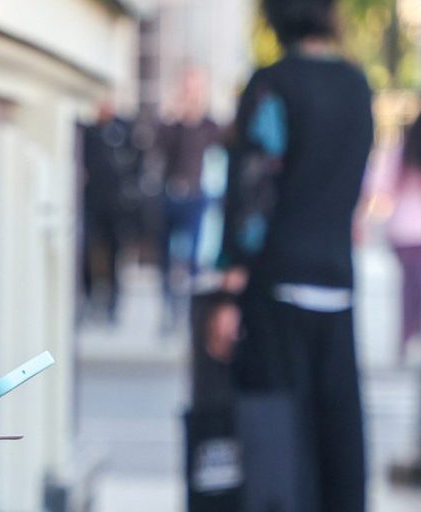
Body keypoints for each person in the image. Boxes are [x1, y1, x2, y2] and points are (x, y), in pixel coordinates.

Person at [208, 0, 373, 510]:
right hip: (336, 284)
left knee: (277, 448)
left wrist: (228, 294)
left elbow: (253, 193)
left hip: (277, 288)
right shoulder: (357, 85)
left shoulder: (271, 84)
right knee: (336, 441)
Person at [155, 69, 220, 332]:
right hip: (171, 193)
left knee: (192, 256)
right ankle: (167, 309)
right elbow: (159, 146)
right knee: (165, 257)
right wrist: (176, 117)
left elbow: (218, 144)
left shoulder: (208, 125)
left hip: (195, 195)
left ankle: (189, 311)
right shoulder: (172, 124)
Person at [80, 101, 142, 324]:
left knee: (115, 252)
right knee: (86, 249)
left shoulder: (123, 129)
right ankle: (89, 295)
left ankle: (113, 301)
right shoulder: (88, 130)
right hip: (91, 202)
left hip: (116, 205)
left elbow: (137, 161)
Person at [387, 113, 421, 358]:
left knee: (410, 288)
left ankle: (408, 337)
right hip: (410, 233)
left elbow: (381, 187)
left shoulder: (402, 152)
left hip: (403, 232)